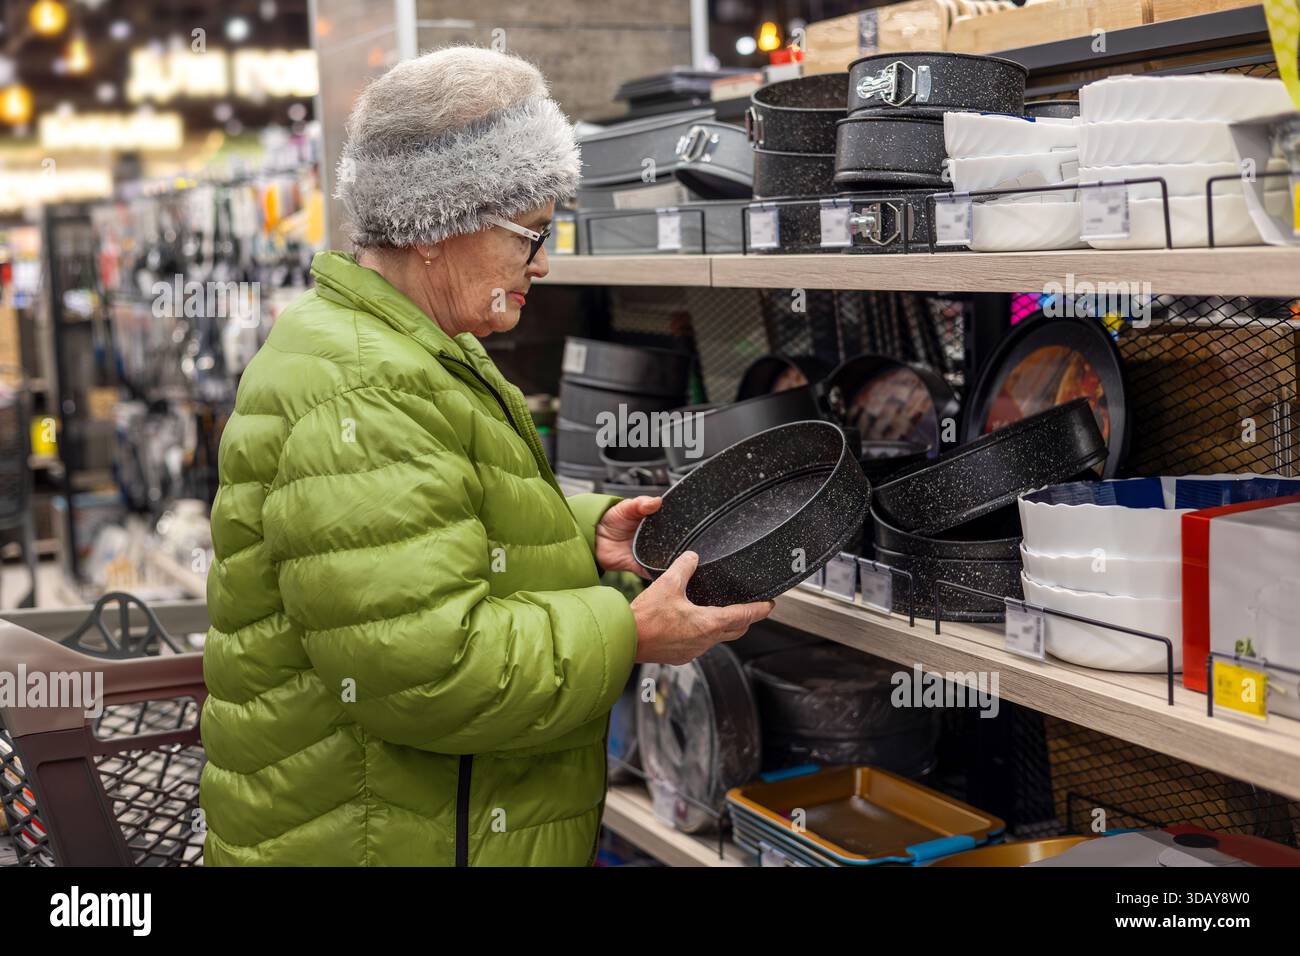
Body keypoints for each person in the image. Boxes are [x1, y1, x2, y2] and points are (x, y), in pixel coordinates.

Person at [198, 45, 773, 866]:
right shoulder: (366, 386)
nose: (542, 262)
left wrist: (584, 533)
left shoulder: (401, 345)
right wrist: (630, 631)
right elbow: (431, 668)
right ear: (439, 226)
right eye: (530, 235)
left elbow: (430, 527)